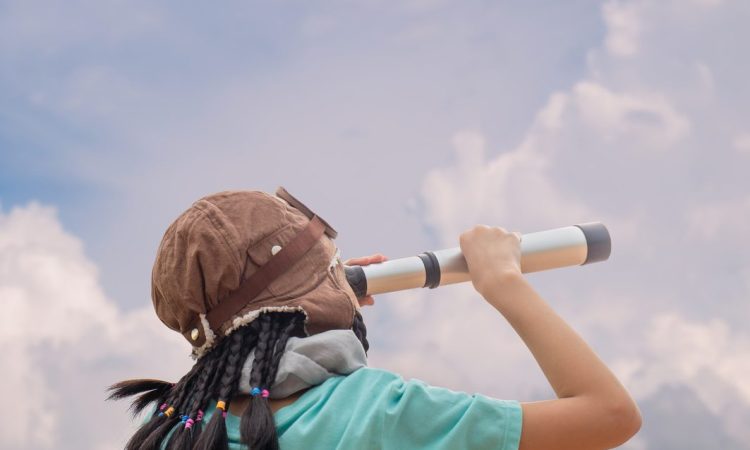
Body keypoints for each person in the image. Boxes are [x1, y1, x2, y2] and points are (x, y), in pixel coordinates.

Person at [109, 187, 641, 450]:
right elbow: (610, 414)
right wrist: (504, 283)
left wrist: (314, 306)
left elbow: (270, 386)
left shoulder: (174, 430)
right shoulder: (383, 416)